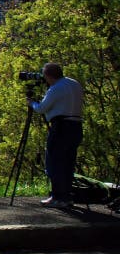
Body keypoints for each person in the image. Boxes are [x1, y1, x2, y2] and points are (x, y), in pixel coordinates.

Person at [27, 62, 83, 208]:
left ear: (48, 76)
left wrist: (31, 103)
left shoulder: (55, 88)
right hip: (76, 125)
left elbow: (41, 108)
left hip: (61, 126)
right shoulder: (74, 84)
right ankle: (67, 196)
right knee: (68, 162)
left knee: (54, 162)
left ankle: (57, 197)